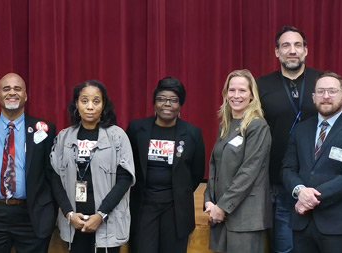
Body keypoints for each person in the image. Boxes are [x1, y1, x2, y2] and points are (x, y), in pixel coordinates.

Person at [282, 72, 342, 253]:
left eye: (332, 91)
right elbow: (288, 168)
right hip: (302, 224)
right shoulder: (301, 130)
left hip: (339, 226)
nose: (326, 96)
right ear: (313, 97)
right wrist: (300, 191)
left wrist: (309, 199)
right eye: (321, 91)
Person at [0, 73, 58, 253]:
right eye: (6, 89)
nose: (12, 93)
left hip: (31, 215)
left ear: (26, 96)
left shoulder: (44, 129)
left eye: (17, 89)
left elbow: (51, 174)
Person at [255, 26, 324, 253]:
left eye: (297, 45)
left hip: (315, 182)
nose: (292, 50)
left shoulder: (322, 82)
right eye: (286, 45)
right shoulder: (260, 85)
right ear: (277, 52)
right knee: (282, 246)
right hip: (274, 182)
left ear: (306, 50)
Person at [49, 80, 135, 253]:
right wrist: (69, 214)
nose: (90, 106)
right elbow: (55, 178)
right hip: (75, 222)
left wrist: (101, 214)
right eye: (84, 100)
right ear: (76, 104)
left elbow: (124, 180)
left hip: (106, 222)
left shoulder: (117, 136)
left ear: (103, 106)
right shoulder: (64, 137)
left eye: (96, 101)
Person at [126, 77, 206, 253]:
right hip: (144, 206)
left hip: (175, 208)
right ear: (154, 102)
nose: (167, 104)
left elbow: (196, 173)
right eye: (161, 99)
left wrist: (177, 191)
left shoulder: (192, 133)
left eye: (173, 100)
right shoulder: (136, 129)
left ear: (180, 105)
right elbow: (127, 164)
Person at [205, 69, 272, 253]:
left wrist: (223, 207)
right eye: (231, 90)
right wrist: (209, 202)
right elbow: (215, 167)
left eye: (242, 90)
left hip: (245, 218)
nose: (236, 95)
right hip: (221, 215)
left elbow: (249, 171)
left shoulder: (257, 126)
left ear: (252, 95)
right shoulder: (226, 125)